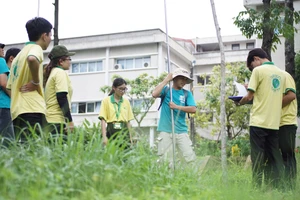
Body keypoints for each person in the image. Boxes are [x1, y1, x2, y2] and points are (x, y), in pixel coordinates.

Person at [238, 48, 285, 188]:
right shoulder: (280, 73)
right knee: (273, 157)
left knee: (257, 157)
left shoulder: (258, 71)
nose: (253, 69)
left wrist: (239, 102)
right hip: (274, 123)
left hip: (259, 122)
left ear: (256, 59)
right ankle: (275, 188)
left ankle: (257, 188)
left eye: (252, 66)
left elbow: (249, 96)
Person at [6, 17, 53, 142]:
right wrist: (36, 82)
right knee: (36, 150)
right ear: (44, 36)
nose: (50, 39)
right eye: (50, 35)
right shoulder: (35, 49)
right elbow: (32, 59)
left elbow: (9, 87)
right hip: (32, 108)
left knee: (24, 151)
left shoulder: (18, 57)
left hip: (17, 110)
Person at [152, 67, 197, 167]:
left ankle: (192, 180)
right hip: (166, 130)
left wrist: (177, 107)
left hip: (181, 131)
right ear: (175, 78)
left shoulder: (186, 94)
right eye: (182, 78)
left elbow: (193, 109)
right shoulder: (167, 90)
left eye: (186, 79)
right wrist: (166, 80)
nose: (184, 81)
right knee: (166, 162)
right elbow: (154, 94)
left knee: (189, 159)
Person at [44, 45, 75, 137]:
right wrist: (69, 121)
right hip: (57, 121)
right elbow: (61, 97)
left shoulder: (53, 72)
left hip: (50, 120)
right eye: (68, 59)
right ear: (61, 61)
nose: (70, 61)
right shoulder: (60, 73)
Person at [99, 78, 134, 148]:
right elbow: (103, 120)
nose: (122, 91)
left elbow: (128, 122)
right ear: (114, 88)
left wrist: (131, 138)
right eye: (120, 89)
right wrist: (104, 137)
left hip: (124, 131)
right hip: (111, 130)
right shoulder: (106, 101)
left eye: (124, 89)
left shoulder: (126, 102)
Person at [279, 71, 297, 190]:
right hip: (273, 122)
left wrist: (273, 104)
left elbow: (291, 95)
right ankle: (280, 186)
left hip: (286, 122)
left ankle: (290, 187)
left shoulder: (284, 76)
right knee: (277, 156)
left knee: (288, 156)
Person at [0, 47, 21, 147]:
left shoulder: (12, 72)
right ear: (12, 58)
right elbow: (4, 84)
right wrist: (15, 98)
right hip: (4, 105)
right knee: (8, 142)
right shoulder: (1, 62)